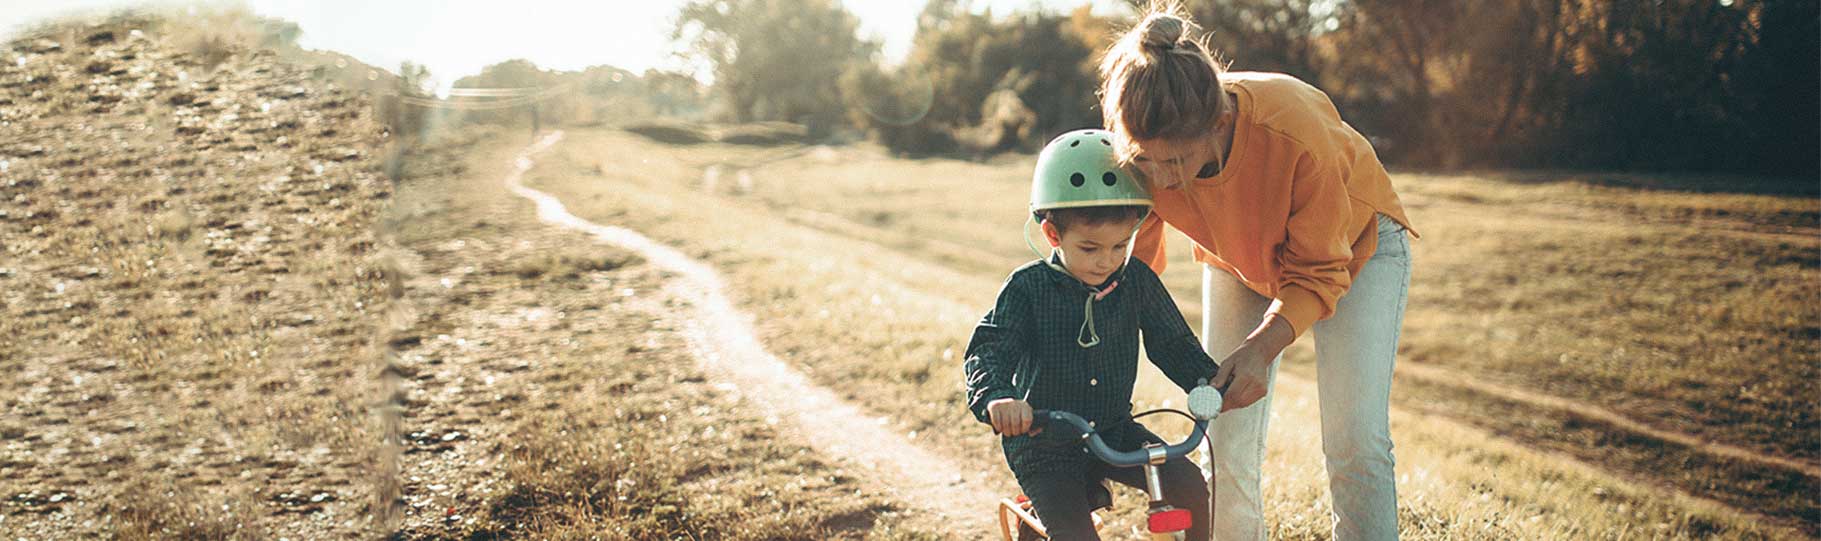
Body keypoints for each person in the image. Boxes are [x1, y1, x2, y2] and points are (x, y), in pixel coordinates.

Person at [1095, 5, 1420, 540]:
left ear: (1219, 123)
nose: (1161, 180)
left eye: (1174, 163)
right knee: (1222, 434)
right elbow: (1134, 270)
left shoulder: (1296, 133)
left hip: (1356, 247)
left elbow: (1317, 270)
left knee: (1353, 439)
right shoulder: (1145, 153)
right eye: (1146, 162)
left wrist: (1262, 346)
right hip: (1238, 258)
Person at [963, 129, 1221, 540]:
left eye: (1121, 245)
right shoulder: (1027, 288)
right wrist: (997, 397)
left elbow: (1172, 343)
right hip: (1044, 442)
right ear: (1052, 235)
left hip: (1114, 429)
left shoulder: (1135, 278)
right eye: (1090, 248)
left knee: (1189, 485)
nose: (1107, 261)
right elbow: (988, 350)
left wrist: (1207, 381)